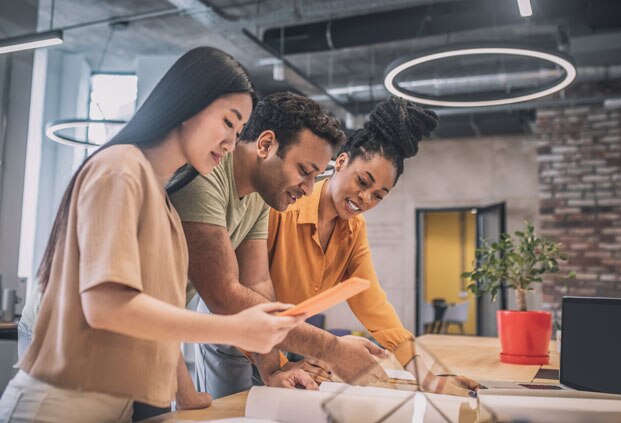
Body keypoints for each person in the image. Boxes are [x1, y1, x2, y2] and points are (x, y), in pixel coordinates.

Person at [0, 47, 305, 423]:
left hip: (112, 405)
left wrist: (187, 395)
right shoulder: (120, 169)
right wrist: (234, 328)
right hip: (56, 408)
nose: (230, 143)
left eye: (239, 131)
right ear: (189, 103)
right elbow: (108, 306)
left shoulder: (160, 201)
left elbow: (159, 316)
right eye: (228, 122)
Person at [168, 91, 389, 400]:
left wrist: (272, 370)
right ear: (266, 144)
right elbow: (224, 296)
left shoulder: (261, 195)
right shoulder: (205, 177)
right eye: (304, 171)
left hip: (158, 342)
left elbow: (257, 282)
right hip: (118, 341)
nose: (309, 188)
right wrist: (332, 349)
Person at [266, 96, 481, 396]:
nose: (366, 198)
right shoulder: (285, 206)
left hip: (286, 345)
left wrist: (428, 378)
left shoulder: (353, 230)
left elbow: (374, 305)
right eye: (363, 181)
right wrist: (280, 365)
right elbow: (252, 297)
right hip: (240, 344)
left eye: (379, 195)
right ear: (341, 162)